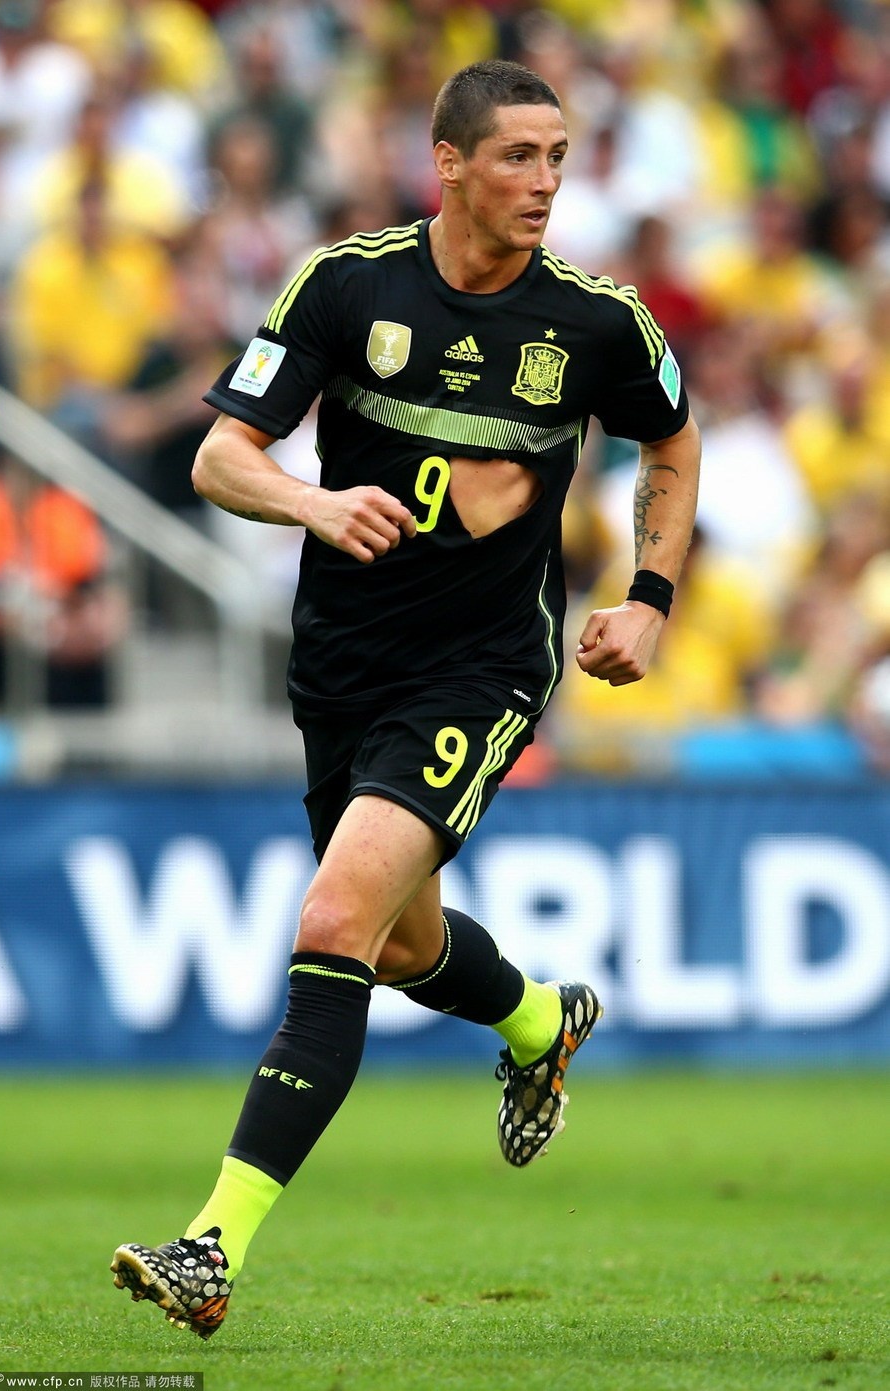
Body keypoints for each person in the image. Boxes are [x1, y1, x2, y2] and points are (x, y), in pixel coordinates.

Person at [110, 58, 701, 1339]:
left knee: (333, 918)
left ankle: (211, 1245)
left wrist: (651, 595)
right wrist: (315, 503)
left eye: (558, 157)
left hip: (482, 668)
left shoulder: (594, 322)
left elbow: (671, 435)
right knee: (396, 942)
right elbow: (221, 456)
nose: (544, 182)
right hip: (341, 663)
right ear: (448, 164)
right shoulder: (346, 285)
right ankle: (541, 1019)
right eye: (518, 156)